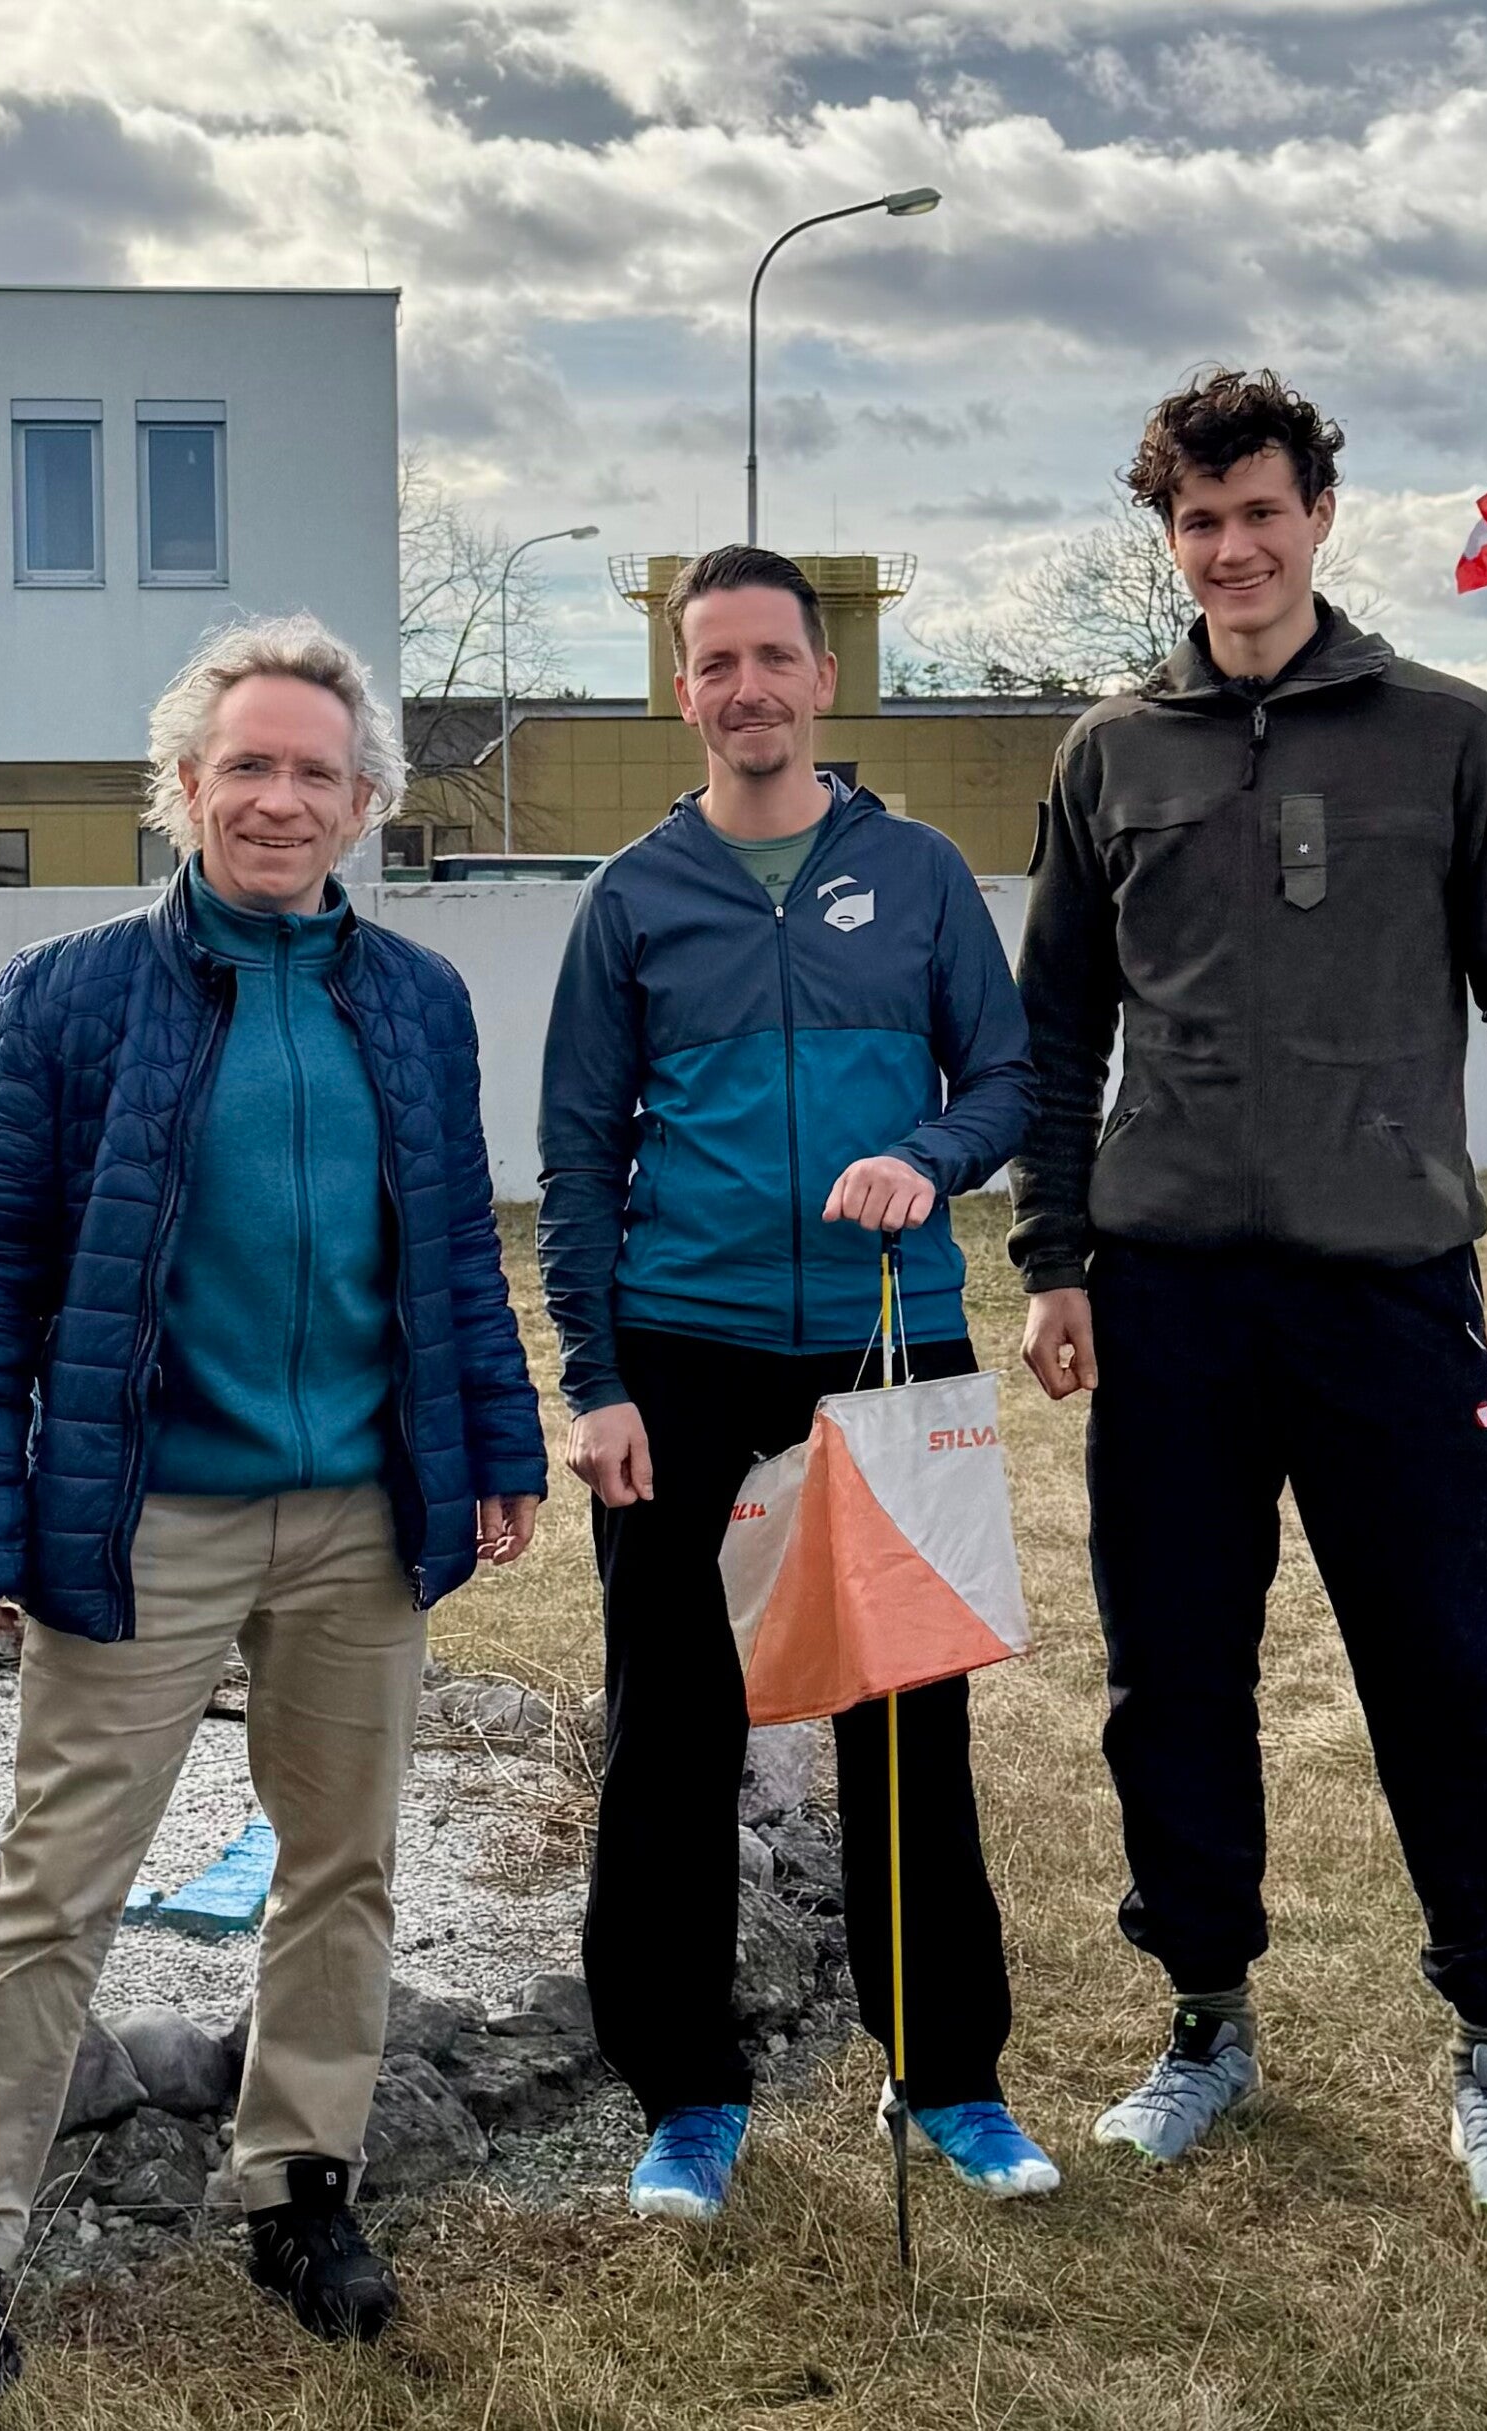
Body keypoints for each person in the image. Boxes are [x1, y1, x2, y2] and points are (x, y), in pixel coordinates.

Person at [0, 614, 546, 2387]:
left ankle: (298, 2188)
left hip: (359, 1521)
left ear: (365, 804)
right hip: (142, 1521)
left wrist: (498, 1443)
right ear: (184, 787)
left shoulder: (415, 1000)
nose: (277, 798)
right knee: (56, 1887)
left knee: (342, 1870)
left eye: (313, 772)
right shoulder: (66, 993)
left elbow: (454, 1257)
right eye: (244, 765)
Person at [1011, 369, 1487, 2232]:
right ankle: (1204, 2016)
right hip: (1168, 1297)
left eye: (1260, 510)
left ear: (1319, 516)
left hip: (1389, 1293)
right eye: (1199, 521)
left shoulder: (1453, 737)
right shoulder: (1111, 755)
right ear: (1170, 538)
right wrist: (1054, 1257)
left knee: (1453, 1676)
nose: (1233, 548)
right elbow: (1055, 1031)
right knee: (1172, 1675)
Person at [538, 543, 1058, 2220]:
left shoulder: (917, 875)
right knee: (674, 1728)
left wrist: (927, 1156)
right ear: (680, 688)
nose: (746, 688)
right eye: (715, 662)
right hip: (680, 1354)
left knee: (908, 1713)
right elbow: (573, 1157)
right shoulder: (632, 898)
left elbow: (1010, 1082)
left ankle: (951, 2074)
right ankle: (687, 2095)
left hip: (887, 1344)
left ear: (825, 678)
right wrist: (595, 1379)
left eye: (774, 657)